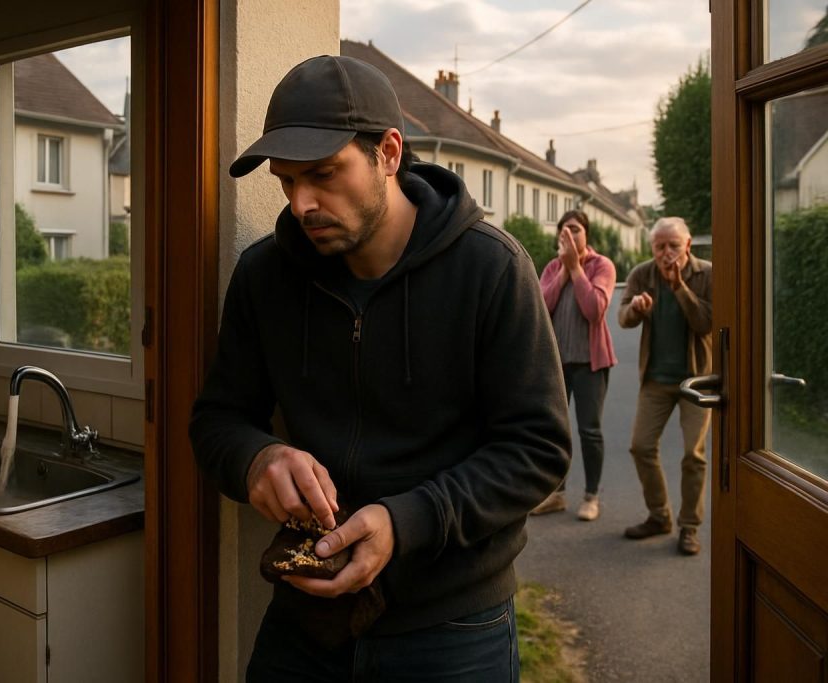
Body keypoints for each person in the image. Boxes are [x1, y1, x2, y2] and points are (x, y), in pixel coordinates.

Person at [189, 55, 571, 681]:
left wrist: (406, 521)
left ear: (389, 152)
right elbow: (218, 419)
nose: (303, 203)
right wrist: (257, 458)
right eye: (286, 182)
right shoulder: (264, 277)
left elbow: (540, 449)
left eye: (322, 174)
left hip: (452, 625)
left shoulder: (491, 269)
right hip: (305, 617)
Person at [618, 216, 713, 556]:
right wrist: (637, 310)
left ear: (688, 245)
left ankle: (689, 527)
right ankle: (659, 516)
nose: (666, 252)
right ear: (652, 248)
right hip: (655, 379)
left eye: (674, 245)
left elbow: (706, 324)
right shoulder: (642, 274)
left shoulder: (707, 274)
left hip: (696, 380)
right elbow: (622, 317)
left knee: (694, 455)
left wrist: (678, 287)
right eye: (660, 246)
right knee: (641, 447)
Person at [532, 210, 617, 521]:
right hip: (556, 365)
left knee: (589, 430)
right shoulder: (553, 267)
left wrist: (577, 269)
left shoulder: (602, 266)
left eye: (576, 229)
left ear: (587, 235)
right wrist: (565, 272)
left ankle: (591, 497)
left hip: (591, 364)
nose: (569, 235)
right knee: (555, 430)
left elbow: (594, 310)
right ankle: (556, 494)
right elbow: (541, 307)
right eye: (564, 230)